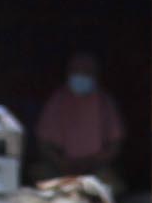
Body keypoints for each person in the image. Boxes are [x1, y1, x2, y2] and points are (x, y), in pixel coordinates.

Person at [33, 51, 125, 179]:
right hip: (59, 167)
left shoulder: (104, 102)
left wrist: (95, 162)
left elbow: (116, 142)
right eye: (77, 71)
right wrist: (60, 162)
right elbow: (43, 142)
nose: (81, 76)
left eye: (86, 72)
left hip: (96, 168)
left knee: (111, 184)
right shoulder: (57, 101)